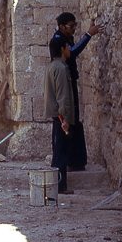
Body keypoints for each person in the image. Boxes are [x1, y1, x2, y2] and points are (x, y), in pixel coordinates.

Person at [50, 12, 104, 170]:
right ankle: (65, 163)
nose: (74, 28)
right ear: (62, 27)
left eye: (75, 25)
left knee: (73, 121)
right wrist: (88, 35)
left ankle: (74, 162)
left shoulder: (66, 38)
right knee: (66, 122)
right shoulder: (59, 40)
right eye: (71, 26)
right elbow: (72, 52)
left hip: (69, 81)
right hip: (64, 84)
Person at [44, 36, 75, 194]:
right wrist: (66, 119)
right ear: (62, 49)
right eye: (67, 46)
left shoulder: (52, 66)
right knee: (61, 153)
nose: (69, 49)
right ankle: (60, 186)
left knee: (58, 151)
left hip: (57, 116)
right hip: (61, 117)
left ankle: (55, 184)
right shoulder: (61, 69)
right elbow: (63, 96)